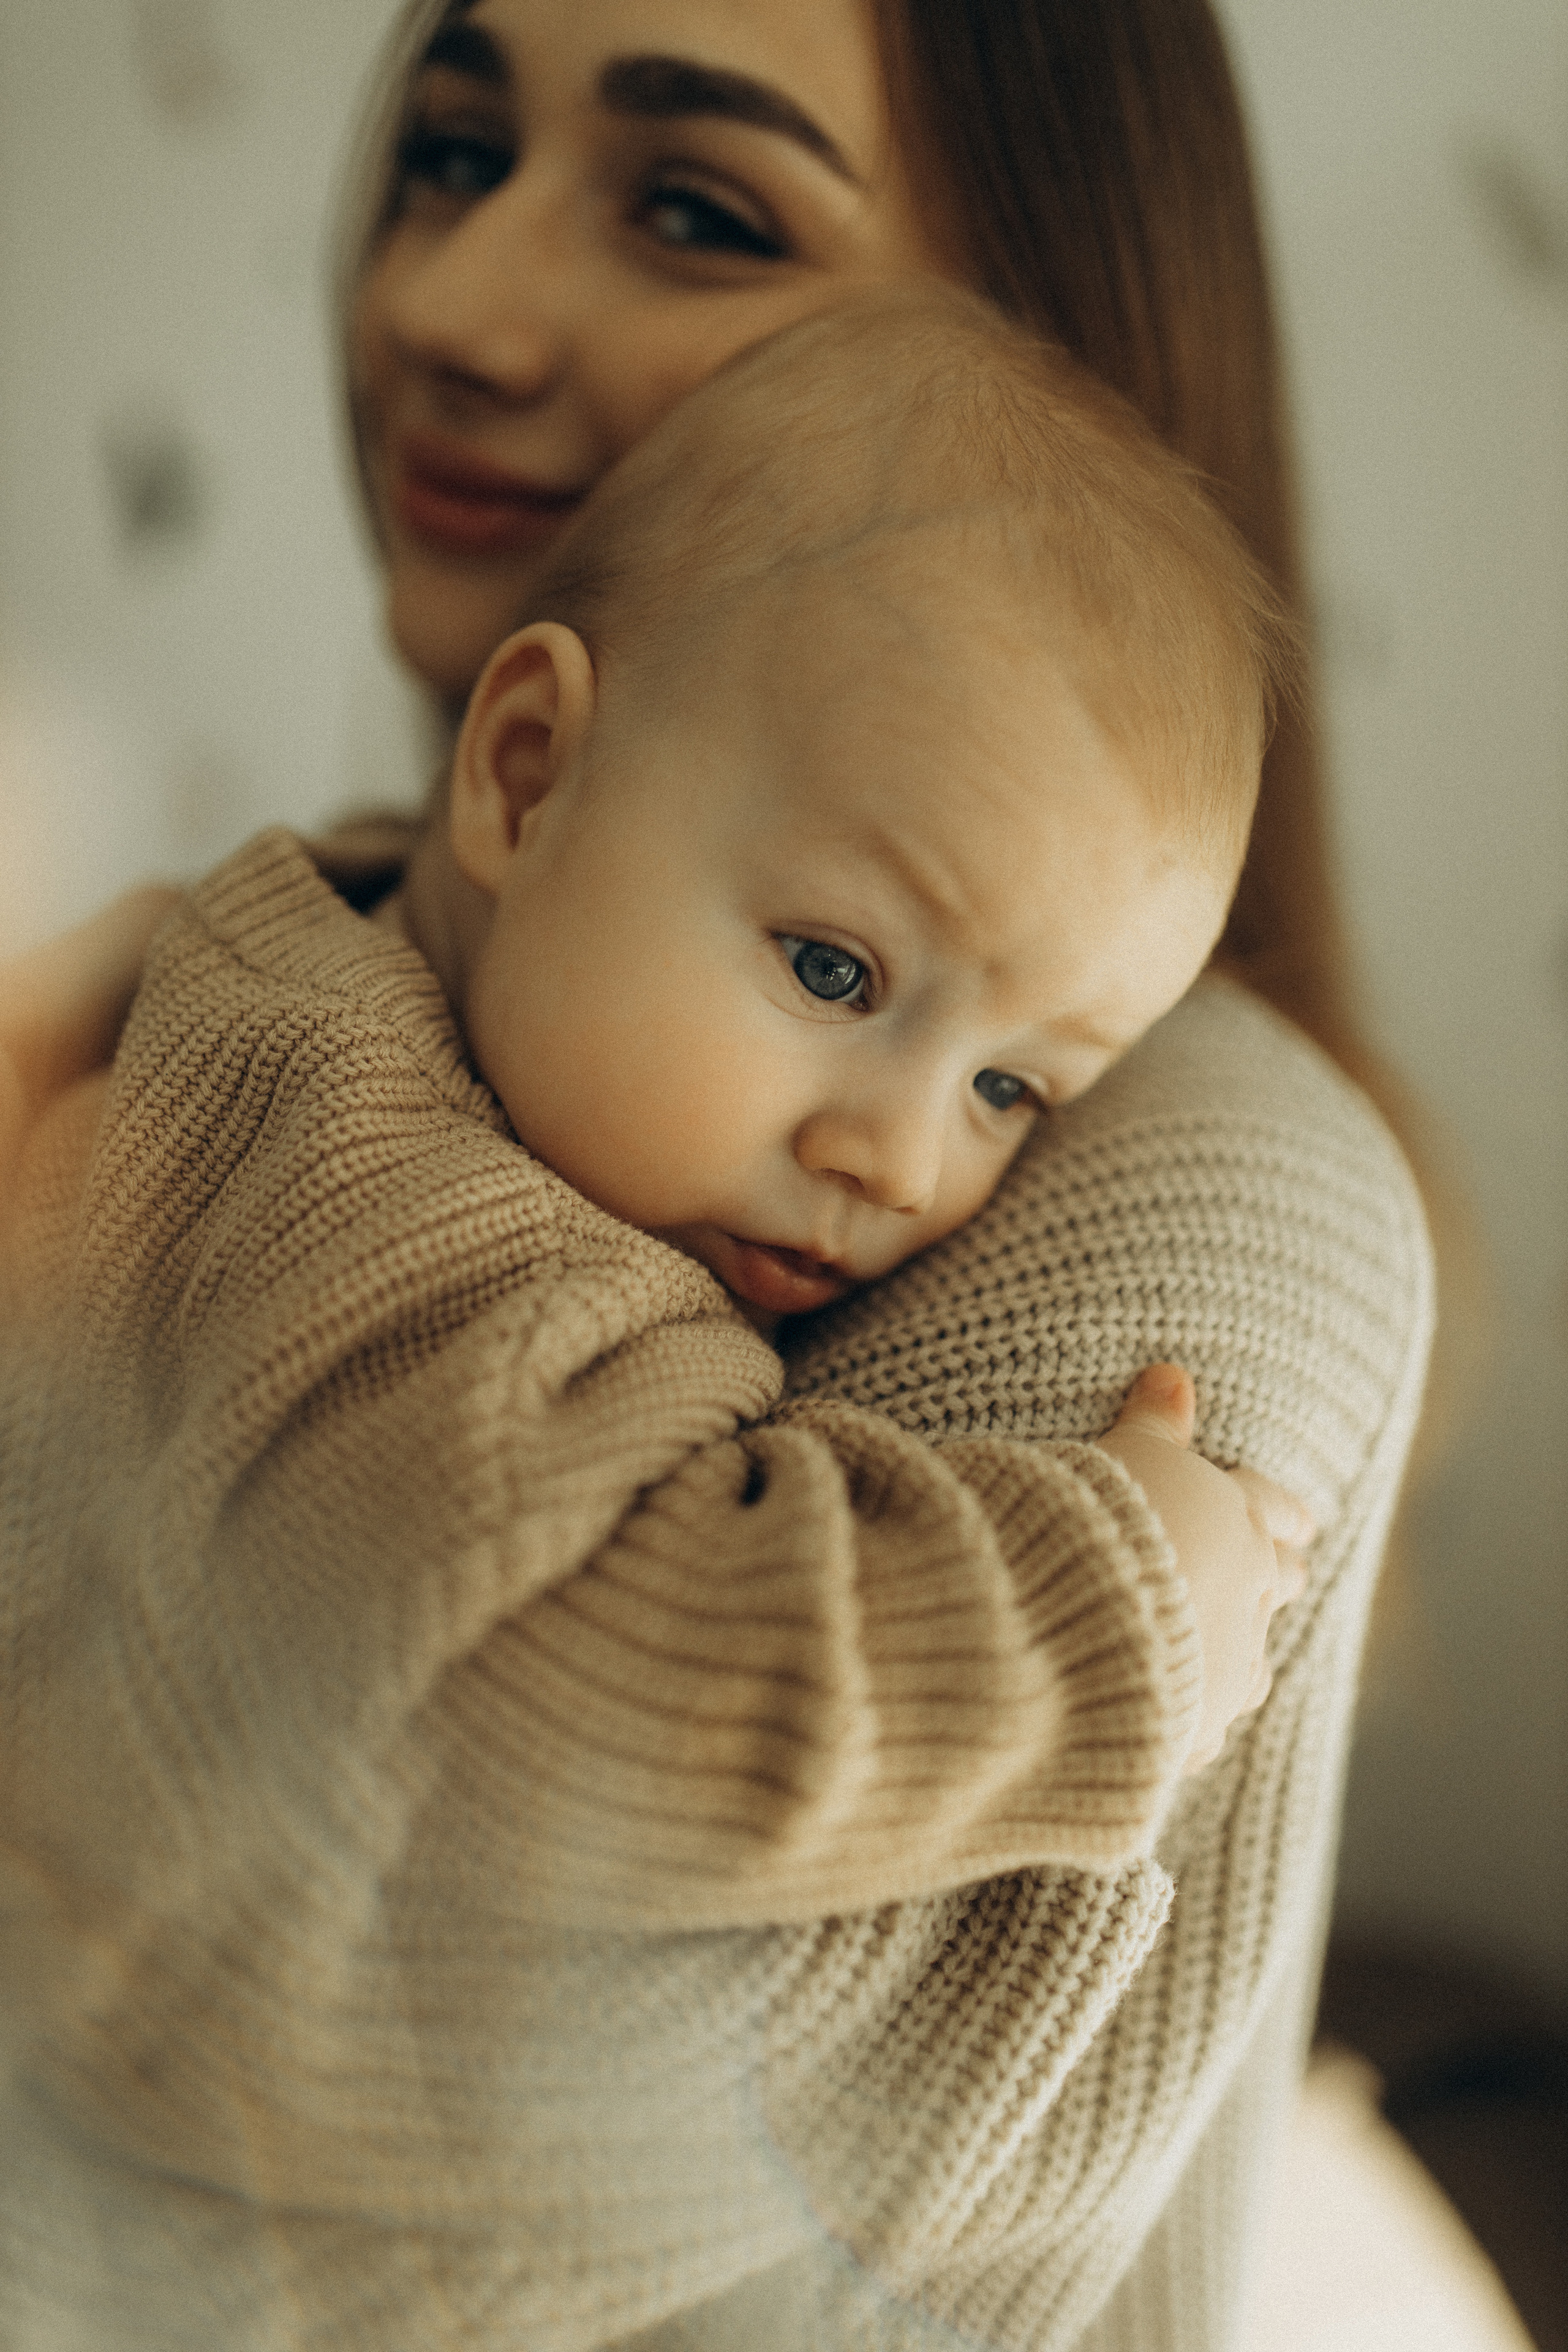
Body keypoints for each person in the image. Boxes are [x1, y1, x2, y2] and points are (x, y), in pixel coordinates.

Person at [0, 5, 1434, 2348]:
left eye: (700, 208)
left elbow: (596, 2097)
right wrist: (1103, 1618)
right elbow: (544, 1712)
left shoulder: (1225, 1185)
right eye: (454, 149)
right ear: (529, 778)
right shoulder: (347, 1075)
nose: (441, 305)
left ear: (1054, 326)